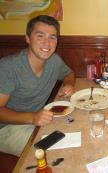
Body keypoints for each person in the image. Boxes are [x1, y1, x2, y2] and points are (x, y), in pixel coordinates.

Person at [0, 15, 75, 156]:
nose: (47, 43)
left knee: (74, 129)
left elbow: (69, 73)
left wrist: (69, 84)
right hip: (6, 129)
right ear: (28, 38)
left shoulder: (54, 60)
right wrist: (32, 117)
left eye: (52, 37)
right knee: (60, 151)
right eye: (40, 36)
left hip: (37, 120)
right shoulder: (8, 67)